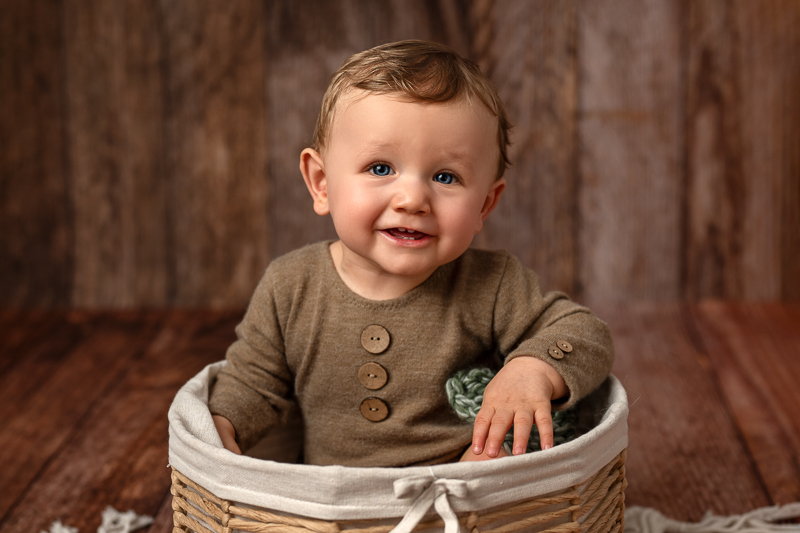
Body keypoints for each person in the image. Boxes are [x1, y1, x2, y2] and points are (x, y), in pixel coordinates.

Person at [209, 40, 614, 467]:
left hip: (457, 489)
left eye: (446, 177)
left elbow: (586, 333)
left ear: (484, 205)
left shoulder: (491, 284)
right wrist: (223, 424)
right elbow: (253, 383)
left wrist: (532, 369)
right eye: (381, 168)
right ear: (322, 183)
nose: (412, 200)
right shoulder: (290, 286)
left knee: (502, 452)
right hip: (328, 496)